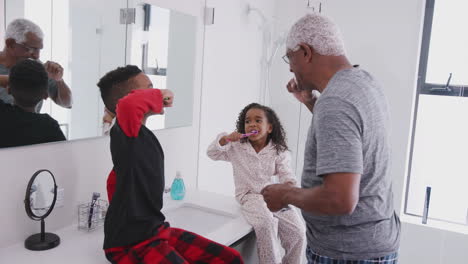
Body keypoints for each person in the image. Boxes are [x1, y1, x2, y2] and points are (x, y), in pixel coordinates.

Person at [261, 13, 401, 264]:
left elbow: (340, 198)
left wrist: (286, 195)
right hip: (372, 241)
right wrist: (311, 102)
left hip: (346, 253)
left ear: (306, 52)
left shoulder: (336, 101)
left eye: (290, 58)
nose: (291, 68)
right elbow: (353, 136)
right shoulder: (364, 82)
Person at [97, 65, 243, 264]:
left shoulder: (139, 135)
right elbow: (127, 106)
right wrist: (161, 95)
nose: (156, 91)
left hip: (155, 231)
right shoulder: (125, 134)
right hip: (130, 243)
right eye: (149, 88)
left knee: (230, 259)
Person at [207, 103, 305, 264]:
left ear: (270, 128)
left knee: (298, 231)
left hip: (273, 194)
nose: (252, 124)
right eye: (247, 121)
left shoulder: (278, 151)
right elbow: (212, 153)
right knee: (266, 223)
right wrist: (225, 139)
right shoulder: (236, 147)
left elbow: (286, 174)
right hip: (249, 195)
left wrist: (288, 189)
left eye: (258, 120)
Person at [0, 18, 72, 111]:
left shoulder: (36, 67)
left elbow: (67, 103)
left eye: (39, 49)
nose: (36, 56)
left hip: (30, 125)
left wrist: (59, 80)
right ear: (10, 44)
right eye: (31, 49)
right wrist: (19, 80)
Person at [0, 59, 66, 148]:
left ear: (8, 90)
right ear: (45, 95)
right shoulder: (49, 127)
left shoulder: (2, 114)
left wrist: (14, 81)